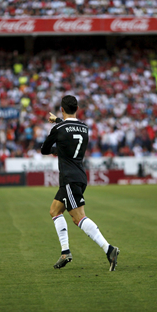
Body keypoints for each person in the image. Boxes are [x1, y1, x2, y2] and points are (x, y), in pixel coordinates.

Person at [41, 95, 120, 271]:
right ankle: (65, 252)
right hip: (79, 175)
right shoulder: (84, 127)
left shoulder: (59, 128)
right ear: (77, 109)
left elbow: (44, 149)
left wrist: (56, 146)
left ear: (61, 109)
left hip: (69, 178)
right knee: (55, 210)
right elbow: (71, 133)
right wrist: (59, 121)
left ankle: (109, 249)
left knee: (78, 218)